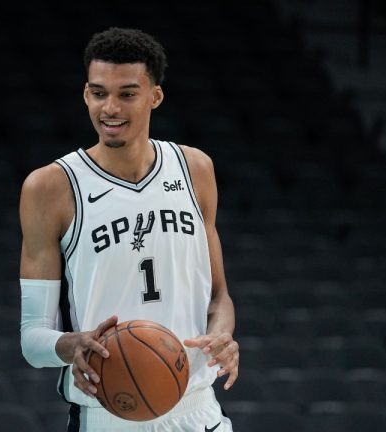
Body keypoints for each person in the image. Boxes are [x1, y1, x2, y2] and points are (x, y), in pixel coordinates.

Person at [19, 27, 238, 431]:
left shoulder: (195, 169)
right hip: (108, 413)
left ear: (155, 96)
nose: (110, 108)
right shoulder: (51, 187)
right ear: (86, 94)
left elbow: (219, 297)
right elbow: (32, 339)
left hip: (198, 408)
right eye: (99, 93)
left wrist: (222, 335)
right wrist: (71, 345)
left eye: (127, 94)